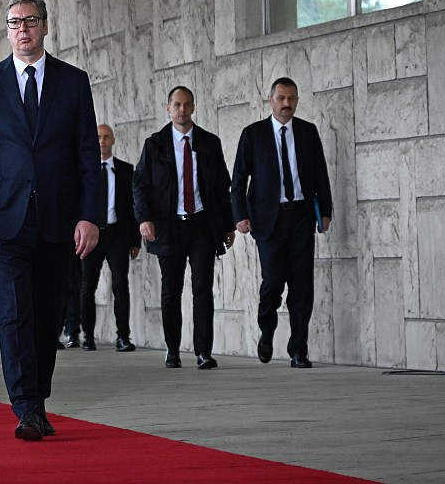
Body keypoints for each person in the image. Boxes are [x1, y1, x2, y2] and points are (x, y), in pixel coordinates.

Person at [0, 0, 102, 441]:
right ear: (7, 30)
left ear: (45, 26)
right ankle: (27, 406)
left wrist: (90, 215)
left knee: (47, 314)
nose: (23, 29)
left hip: (59, 219)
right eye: (15, 23)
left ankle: (38, 395)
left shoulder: (73, 81)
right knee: (14, 313)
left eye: (31, 21)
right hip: (4, 219)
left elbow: (86, 155)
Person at [231, 77, 333, 369]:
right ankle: (267, 330)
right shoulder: (253, 135)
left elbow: (321, 175)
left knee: (302, 286)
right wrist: (240, 216)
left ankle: (298, 349)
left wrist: (324, 212)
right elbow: (238, 181)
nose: (287, 104)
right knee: (273, 282)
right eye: (281, 98)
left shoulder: (307, 132)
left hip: (301, 216)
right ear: (270, 100)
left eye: (292, 99)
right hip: (268, 220)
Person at [133, 85, 235, 370]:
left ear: (193, 108)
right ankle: (173, 350)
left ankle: (204, 352)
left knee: (203, 289)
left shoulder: (209, 143)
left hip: (202, 224)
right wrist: (144, 219)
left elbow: (220, 187)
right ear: (168, 109)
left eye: (187, 104)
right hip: (169, 226)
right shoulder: (155, 144)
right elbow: (140, 184)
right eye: (176, 105)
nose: (182, 110)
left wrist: (228, 225)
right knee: (171, 291)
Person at [79, 124, 141, 351]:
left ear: (113, 140)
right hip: (93, 233)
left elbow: (133, 206)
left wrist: (135, 240)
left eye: (106, 137)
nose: (102, 141)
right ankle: (88, 336)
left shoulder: (125, 170)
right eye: (98, 137)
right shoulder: (83, 170)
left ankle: (123, 337)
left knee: (120, 284)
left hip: (117, 233)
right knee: (87, 286)